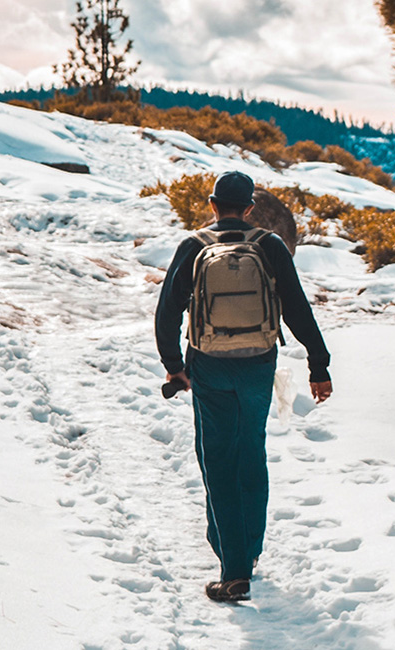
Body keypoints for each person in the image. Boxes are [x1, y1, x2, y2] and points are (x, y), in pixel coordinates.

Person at [155, 170, 333, 603]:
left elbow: (166, 314)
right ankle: (247, 549)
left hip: (209, 365)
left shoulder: (193, 246)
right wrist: (319, 365)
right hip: (257, 363)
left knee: (217, 458)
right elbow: (297, 310)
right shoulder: (269, 245)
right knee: (251, 451)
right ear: (251, 208)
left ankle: (233, 568)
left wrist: (174, 367)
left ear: (213, 205)